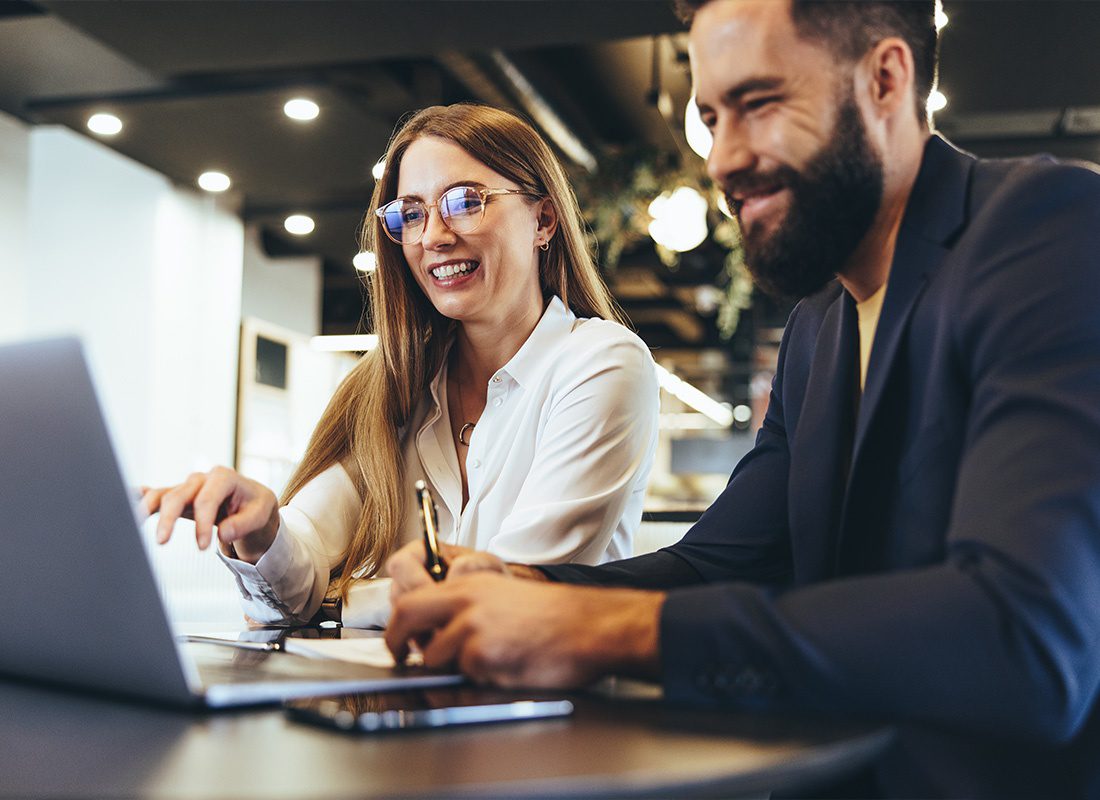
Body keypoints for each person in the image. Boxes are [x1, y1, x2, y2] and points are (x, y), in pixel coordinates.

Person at [384, 2, 1100, 796]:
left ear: (886, 80)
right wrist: (526, 587)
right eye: (710, 119)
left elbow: (1027, 639)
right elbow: (719, 562)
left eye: (757, 105)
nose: (723, 158)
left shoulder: (1048, 232)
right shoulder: (819, 325)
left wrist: (614, 629)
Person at [142, 103, 659, 628]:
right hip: (408, 705)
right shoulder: (395, 386)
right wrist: (262, 531)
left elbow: (513, 591)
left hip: (555, 705)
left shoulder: (602, 363)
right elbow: (298, 569)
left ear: (543, 219)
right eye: (410, 213)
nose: (433, 235)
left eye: (464, 202)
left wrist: (339, 603)